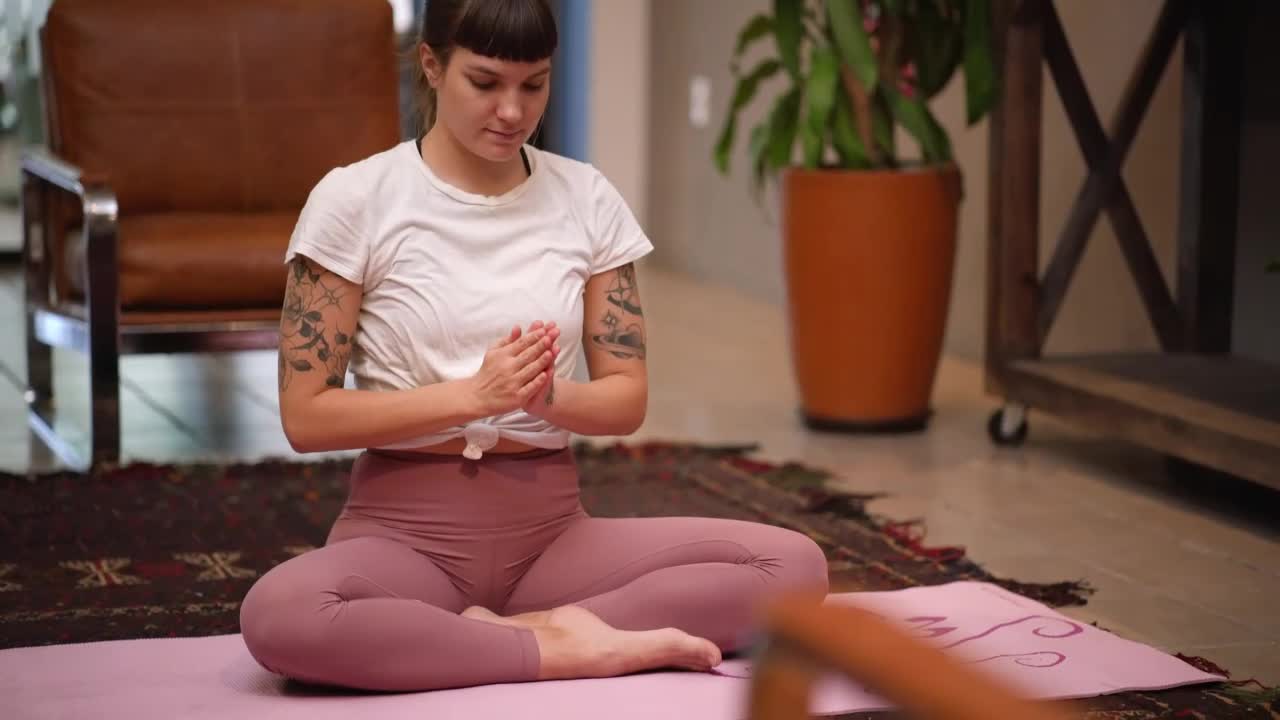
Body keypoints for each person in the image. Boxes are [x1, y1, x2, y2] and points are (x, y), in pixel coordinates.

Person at [239, 0, 829, 692]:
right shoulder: (354, 199)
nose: (513, 111)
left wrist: (548, 395)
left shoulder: (587, 197)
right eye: (485, 83)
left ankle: (524, 631)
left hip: (552, 536)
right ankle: (559, 646)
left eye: (534, 84)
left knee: (796, 568)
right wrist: (470, 397)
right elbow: (305, 417)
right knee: (280, 614)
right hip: (403, 537)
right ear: (431, 66)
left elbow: (625, 400)